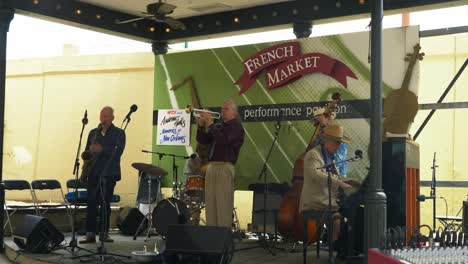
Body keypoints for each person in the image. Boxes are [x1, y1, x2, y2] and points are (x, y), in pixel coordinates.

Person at [300, 124, 354, 250]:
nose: (339, 146)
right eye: (336, 142)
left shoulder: (331, 157)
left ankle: (340, 245)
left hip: (325, 200)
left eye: (340, 143)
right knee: (339, 213)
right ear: (326, 141)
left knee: (346, 210)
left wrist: (353, 181)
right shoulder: (313, 155)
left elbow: (336, 177)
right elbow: (316, 174)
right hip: (313, 201)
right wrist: (339, 183)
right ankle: (335, 245)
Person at [80, 106, 126, 243]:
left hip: (109, 173)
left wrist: (102, 149)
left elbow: (118, 152)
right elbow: (87, 152)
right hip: (93, 172)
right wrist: (85, 166)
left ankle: (104, 233)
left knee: (105, 203)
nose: (103, 119)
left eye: (106, 116)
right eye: (101, 116)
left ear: (112, 118)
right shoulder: (93, 133)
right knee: (91, 203)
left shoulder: (119, 133)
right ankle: (90, 234)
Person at [196, 100, 244, 228]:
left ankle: (223, 238)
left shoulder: (236, 127)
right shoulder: (219, 126)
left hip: (224, 167)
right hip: (212, 167)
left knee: (223, 205)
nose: (222, 112)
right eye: (222, 109)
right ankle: (212, 236)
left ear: (234, 112)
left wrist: (211, 124)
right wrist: (201, 126)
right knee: (211, 204)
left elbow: (223, 140)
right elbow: (202, 140)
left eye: (226, 109)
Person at [312, 107, 349, 177]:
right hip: (326, 173)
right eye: (316, 123)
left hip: (336, 173)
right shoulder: (320, 136)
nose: (316, 125)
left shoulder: (338, 133)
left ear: (328, 119)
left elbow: (341, 158)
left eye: (318, 122)